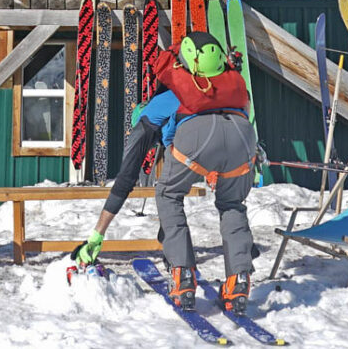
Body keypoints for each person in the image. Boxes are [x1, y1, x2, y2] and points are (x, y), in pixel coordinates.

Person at [73, 32, 257, 314]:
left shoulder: (170, 97)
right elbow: (231, 129)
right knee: (232, 204)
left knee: (169, 194)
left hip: (195, 142)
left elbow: (126, 176)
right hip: (243, 137)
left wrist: (97, 235)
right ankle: (239, 281)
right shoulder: (234, 88)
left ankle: (183, 276)